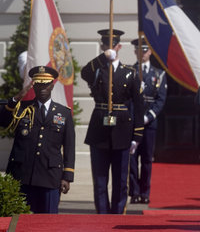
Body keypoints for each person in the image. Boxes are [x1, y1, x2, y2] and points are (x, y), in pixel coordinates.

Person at [81, 29, 144, 214]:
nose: (109, 48)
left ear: (119, 46)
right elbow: (84, 72)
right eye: (105, 45)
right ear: (102, 47)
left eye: (112, 45)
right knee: (100, 181)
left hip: (122, 130)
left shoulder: (130, 73)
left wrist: (137, 136)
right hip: (99, 129)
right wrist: (102, 58)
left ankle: (116, 216)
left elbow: (139, 107)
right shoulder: (97, 71)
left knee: (120, 180)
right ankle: (102, 216)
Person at [0, 66, 75, 213]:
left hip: (49, 177)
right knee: (20, 222)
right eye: (38, 84)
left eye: (45, 84)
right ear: (34, 86)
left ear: (52, 86)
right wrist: (16, 98)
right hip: (22, 176)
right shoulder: (22, 108)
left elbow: (69, 147)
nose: (42, 88)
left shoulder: (63, 113)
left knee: (48, 223)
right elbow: (3, 120)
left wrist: (67, 176)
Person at [129, 37, 167, 204]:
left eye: (145, 50)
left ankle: (145, 193)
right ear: (135, 51)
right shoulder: (129, 71)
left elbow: (160, 100)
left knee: (146, 159)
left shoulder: (159, 74)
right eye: (139, 50)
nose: (142, 53)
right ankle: (134, 192)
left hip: (149, 123)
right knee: (131, 159)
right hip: (131, 123)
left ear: (150, 52)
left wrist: (148, 116)